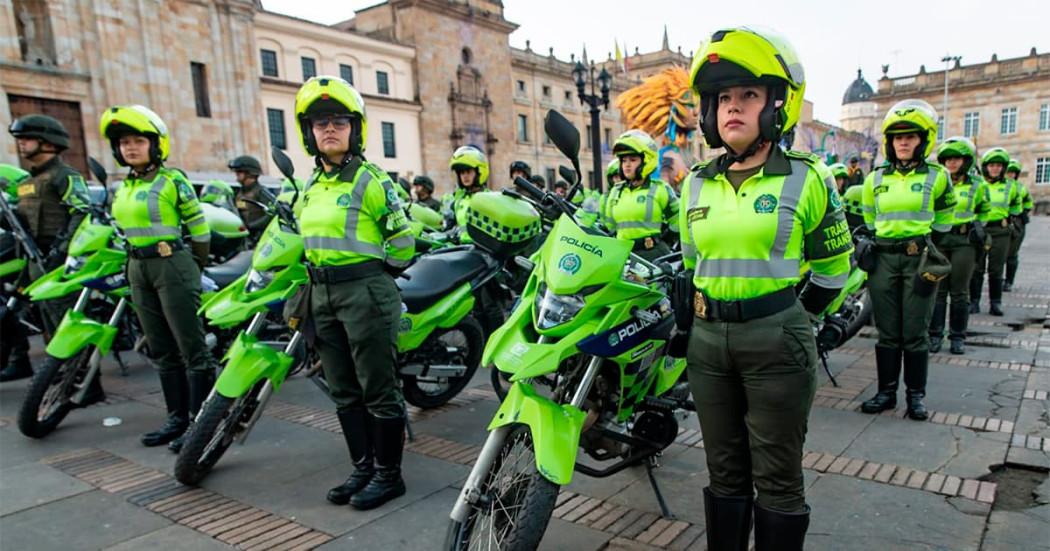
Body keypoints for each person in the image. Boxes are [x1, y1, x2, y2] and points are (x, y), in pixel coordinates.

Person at [681, 27, 853, 550]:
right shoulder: (695, 182)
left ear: (777, 104)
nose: (733, 107)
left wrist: (794, 321)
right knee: (724, 471)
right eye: (724, 98)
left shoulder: (808, 177)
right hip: (708, 343)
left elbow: (833, 269)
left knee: (777, 476)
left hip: (776, 336)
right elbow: (694, 264)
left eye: (748, 95)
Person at [293, 76, 413, 510]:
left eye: (339, 122)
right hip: (322, 295)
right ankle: (363, 467)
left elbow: (403, 241)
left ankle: (388, 475)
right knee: (343, 389)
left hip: (365, 292)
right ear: (308, 132)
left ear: (354, 129)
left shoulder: (372, 179)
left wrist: (374, 277)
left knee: (378, 388)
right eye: (320, 122)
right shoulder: (309, 186)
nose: (329, 129)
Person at [101, 104, 217, 451]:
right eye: (124, 143)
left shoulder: (173, 181)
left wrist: (193, 268)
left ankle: (199, 422)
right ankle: (176, 418)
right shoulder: (123, 187)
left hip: (172, 264)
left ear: (156, 144)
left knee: (192, 347)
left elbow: (199, 230)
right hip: (138, 267)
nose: (130, 148)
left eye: (138, 140)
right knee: (161, 348)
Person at [859, 98, 956, 421]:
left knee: (915, 330)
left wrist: (925, 246)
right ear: (889, 142)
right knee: (887, 331)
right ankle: (886, 393)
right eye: (897, 137)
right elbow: (870, 219)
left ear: (923, 140)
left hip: (918, 259)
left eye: (910, 137)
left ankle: (916, 396)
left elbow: (944, 219)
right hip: (883, 261)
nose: (903, 142)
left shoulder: (938, 176)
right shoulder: (874, 179)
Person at [4, 115, 91, 382]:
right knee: (47, 321)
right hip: (33, 261)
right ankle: (62, 372)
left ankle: (85, 378)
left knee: (66, 320)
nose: (21, 144)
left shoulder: (64, 176)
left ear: (48, 143)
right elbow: (20, 220)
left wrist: (61, 250)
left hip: (58, 261)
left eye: (27, 139)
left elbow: (81, 213)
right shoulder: (27, 183)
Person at [928, 137, 989, 355]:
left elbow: (984, 210)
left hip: (964, 242)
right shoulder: (936, 181)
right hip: (941, 240)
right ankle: (935, 335)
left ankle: (957, 337)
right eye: (948, 159)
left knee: (960, 291)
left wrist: (978, 228)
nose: (952, 163)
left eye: (957, 159)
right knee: (938, 290)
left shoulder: (978, 185)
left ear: (966, 161)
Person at [601, 129, 679, 262]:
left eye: (632, 159)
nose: (627, 165)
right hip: (622, 256)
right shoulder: (615, 192)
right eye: (624, 160)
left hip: (653, 256)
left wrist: (664, 242)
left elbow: (678, 222)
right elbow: (609, 227)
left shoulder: (660, 189)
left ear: (646, 160)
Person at [969, 147, 1020, 316]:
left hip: (1001, 230)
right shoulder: (977, 184)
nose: (995, 169)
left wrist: (1011, 218)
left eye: (999, 166)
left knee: (996, 269)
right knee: (977, 267)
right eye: (992, 165)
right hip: (980, 230)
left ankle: (995, 303)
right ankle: (974, 302)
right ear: (985, 167)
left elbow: (1016, 205)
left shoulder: (1010, 186)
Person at [444, 145, 489, 237]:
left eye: (468, 171)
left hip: (484, 249)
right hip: (462, 248)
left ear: (479, 172)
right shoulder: (457, 201)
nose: (465, 176)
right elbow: (448, 229)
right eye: (462, 173)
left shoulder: (490, 198)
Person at [228, 155, 272, 242]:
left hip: (259, 238)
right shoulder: (239, 193)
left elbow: (271, 213)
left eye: (239, 172)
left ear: (249, 173)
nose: (236, 175)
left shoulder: (261, 192)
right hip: (243, 237)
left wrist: (251, 226)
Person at [1004, 158, 1031, 292]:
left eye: (1013, 173)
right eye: (1008, 172)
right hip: (1000, 222)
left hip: (1016, 223)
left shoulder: (1021, 188)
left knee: (1012, 254)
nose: (1010, 175)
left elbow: (1028, 202)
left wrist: (1023, 213)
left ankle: (1009, 281)